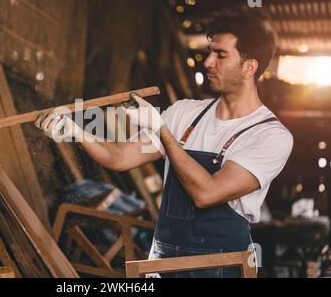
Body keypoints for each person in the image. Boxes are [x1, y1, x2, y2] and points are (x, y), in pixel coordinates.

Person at [35, 15, 294, 278]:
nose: (208, 62)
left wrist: (162, 130)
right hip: (163, 262)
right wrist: (74, 130)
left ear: (249, 67)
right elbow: (120, 157)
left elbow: (207, 194)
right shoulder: (184, 113)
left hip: (219, 267)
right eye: (209, 53)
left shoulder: (269, 135)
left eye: (220, 55)